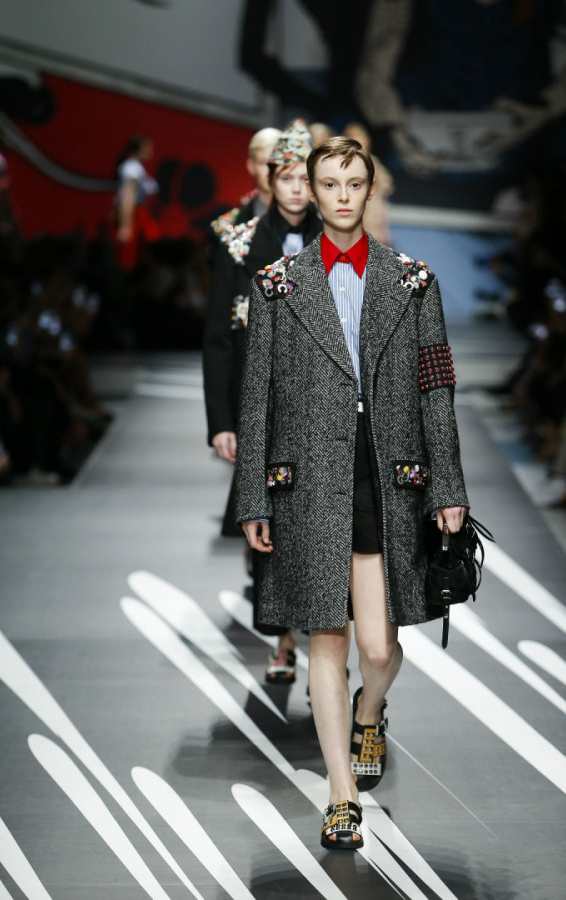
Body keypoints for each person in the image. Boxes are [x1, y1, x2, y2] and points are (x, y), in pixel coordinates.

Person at [235, 136, 469, 849]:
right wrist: (253, 497)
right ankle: (341, 795)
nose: (341, 196)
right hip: (306, 477)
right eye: (329, 183)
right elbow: (257, 394)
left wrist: (448, 484)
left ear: (369, 191)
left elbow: (436, 388)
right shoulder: (276, 285)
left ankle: (371, 712)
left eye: (353, 183)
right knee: (325, 640)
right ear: (312, 190)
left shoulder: (414, 283)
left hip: (386, 476)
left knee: (378, 645)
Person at [203, 119, 322, 684]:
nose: (297, 188)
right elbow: (218, 338)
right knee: (267, 519)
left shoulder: (337, 239)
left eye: (306, 178)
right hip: (259, 406)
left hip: (322, 405)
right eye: (287, 177)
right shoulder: (239, 242)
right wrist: (221, 421)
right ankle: (282, 639)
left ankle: (319, 638)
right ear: (270, 180)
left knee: (319, 524)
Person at [113, 136, 160, 270]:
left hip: (139, 213)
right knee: (129, 258)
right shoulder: (131, 168)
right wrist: (125, 224)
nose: (150, 151)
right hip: (133, 214)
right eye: (147, 147)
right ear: (138, 149)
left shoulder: (137, 168)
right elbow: (128, 196)